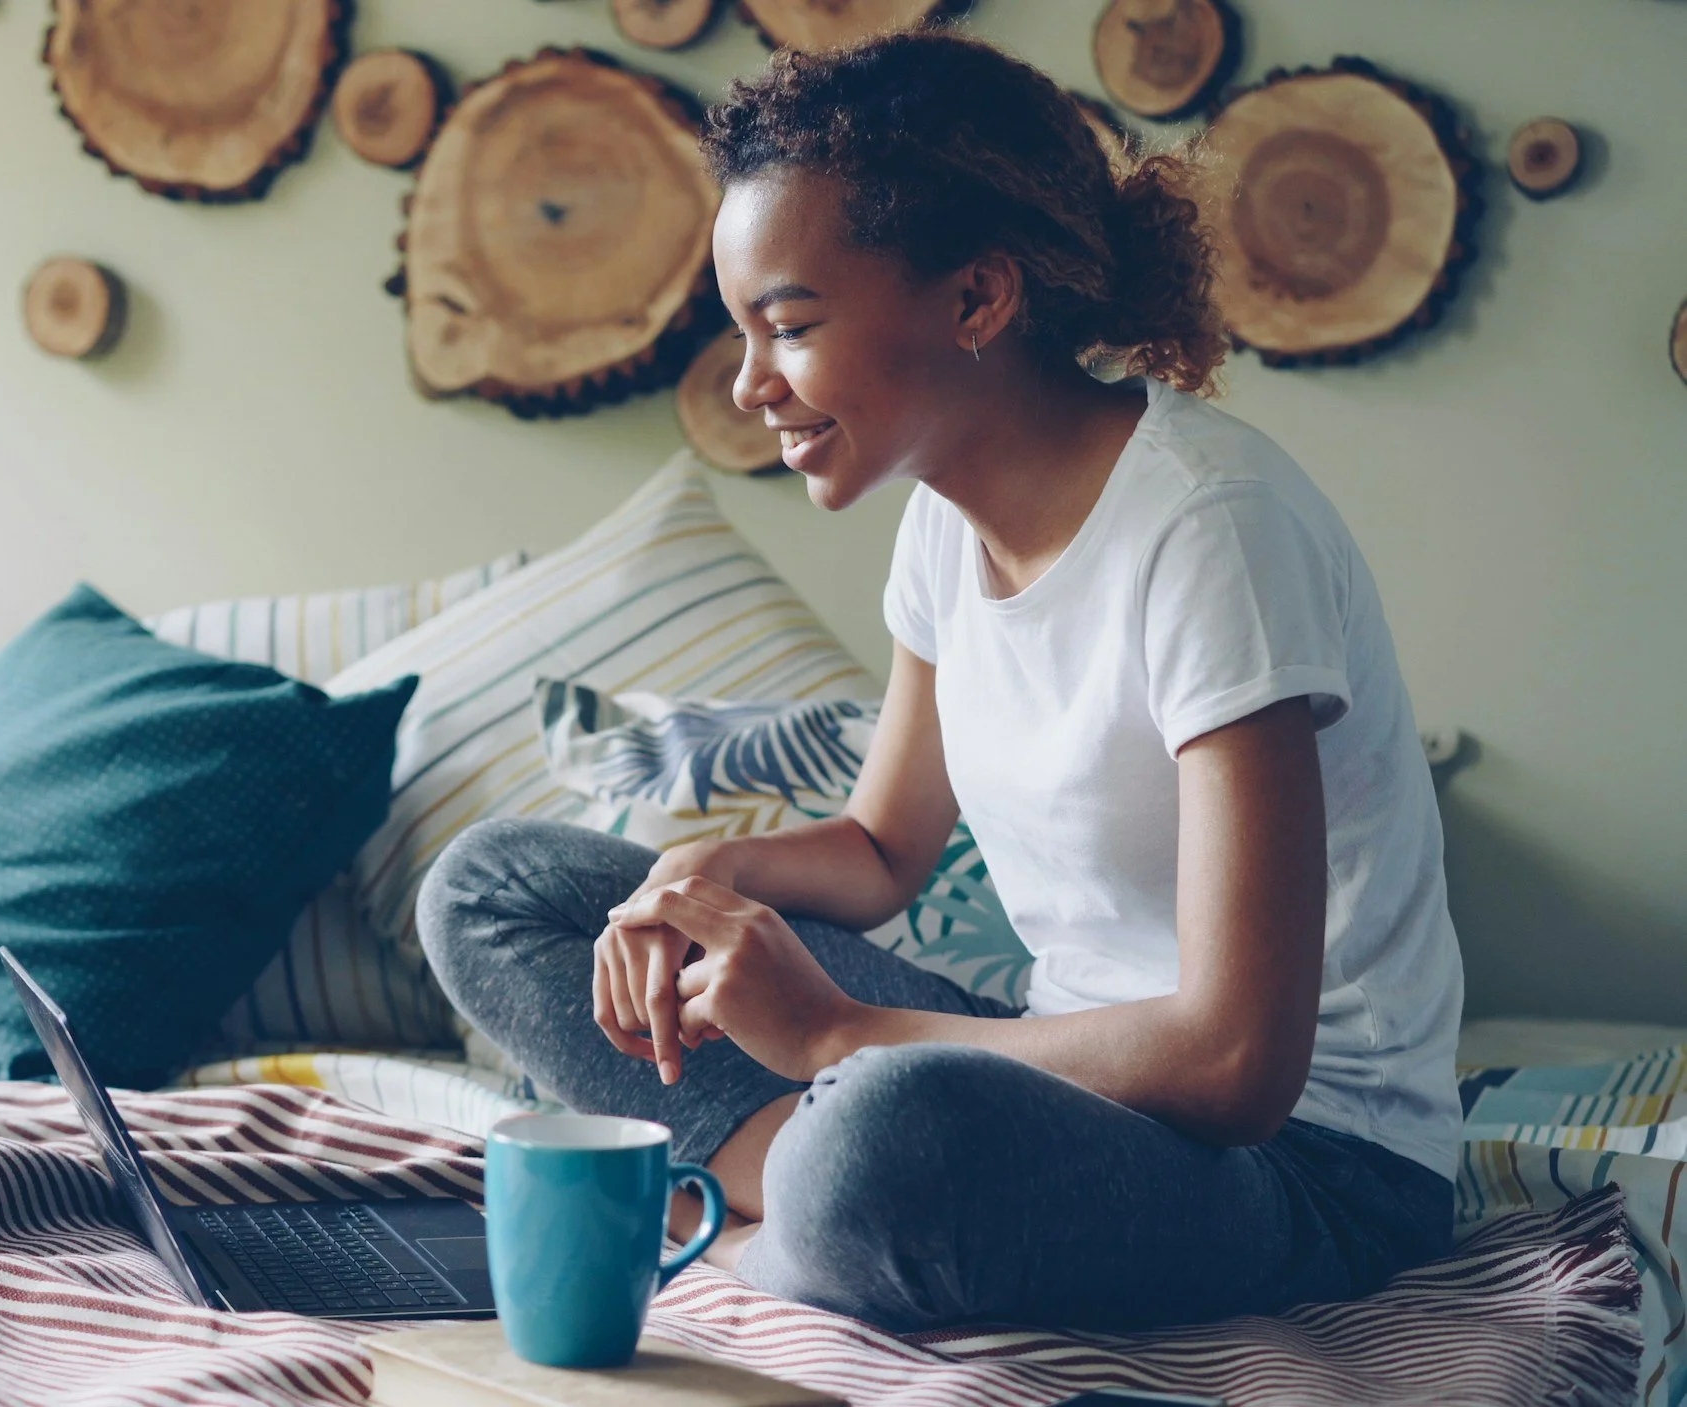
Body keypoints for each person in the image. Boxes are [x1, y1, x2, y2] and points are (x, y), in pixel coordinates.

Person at [415, 31, 1462, 1333]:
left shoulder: (1212, 529)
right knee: (497, 885)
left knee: (890, 1135)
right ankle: (793, 1201)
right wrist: (701, 874)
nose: (751, 386)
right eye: (744, 332)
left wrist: (838, 1036)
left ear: (977, 300)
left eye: (789, 326)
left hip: (1306, 1164)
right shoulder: (941, 526)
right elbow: (876, 847)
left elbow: (1236, 1062)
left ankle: (788, 1205)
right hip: (1048, 1064)